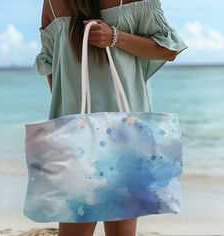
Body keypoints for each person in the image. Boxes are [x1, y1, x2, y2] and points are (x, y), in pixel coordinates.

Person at [34, 0, 187, 235]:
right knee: (98, 225)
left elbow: (169, 49)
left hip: (89, 128)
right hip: (118, 127)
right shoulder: (53, 3)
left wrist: (114, 36)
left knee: (87, 222)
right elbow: (51, 64)